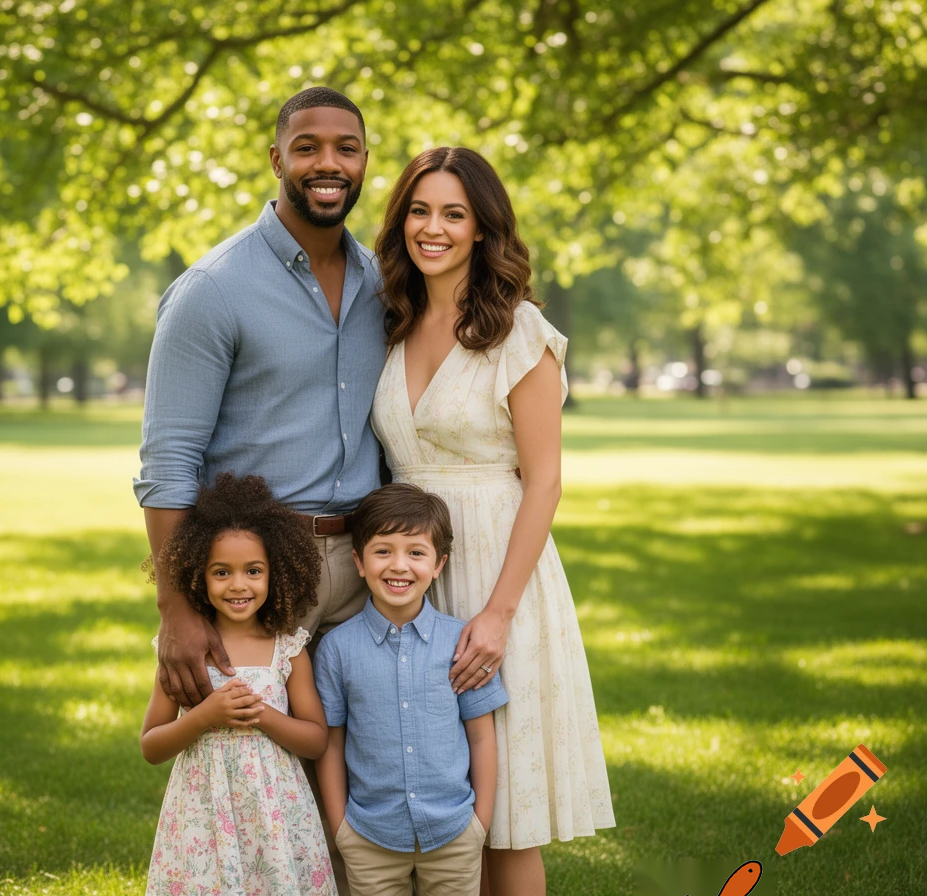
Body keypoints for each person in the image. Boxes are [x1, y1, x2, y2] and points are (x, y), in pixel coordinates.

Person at [370, 148, 616, 895]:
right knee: (434, 800)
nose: (433, 228)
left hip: (496, 574)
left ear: (482, 228)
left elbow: (544, 482)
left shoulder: (519, 330)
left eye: (454, 214)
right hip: (408, 576)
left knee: (502, 810)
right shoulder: (388, 321)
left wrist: (498, 614)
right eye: (419, 211)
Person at [134, 86, 385, 707]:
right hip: (260, 568)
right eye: (307, 148)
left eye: (346, 149)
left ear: (364, 161)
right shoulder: (212, 289)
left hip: (367, 566)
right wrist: (175, 605)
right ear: (277, 160)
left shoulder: (385, 284)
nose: (328, 164)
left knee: (365, 755)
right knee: (253, 757)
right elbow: (168, 460)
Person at [140, 473, 335, 895]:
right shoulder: (185, 652)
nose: (239, 584)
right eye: (221, 572)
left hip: (276, 815)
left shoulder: (287, 648)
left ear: (275, 573)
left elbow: (316, 740)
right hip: (203, 814)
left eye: (253, 571)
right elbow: (151, 746)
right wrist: (205, 716)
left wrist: (260, 714)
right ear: (197, 575)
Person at [314, 483, 509, 896]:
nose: (399, 566)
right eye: (383, 551)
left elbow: (481, 735)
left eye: (416, 553)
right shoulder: (336, 648)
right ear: (359, 561)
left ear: (439, 564)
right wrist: (341, 827)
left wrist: (480, 823)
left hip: (454, 832)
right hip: (369, 837)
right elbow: (331, 742)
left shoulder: (462, 643)